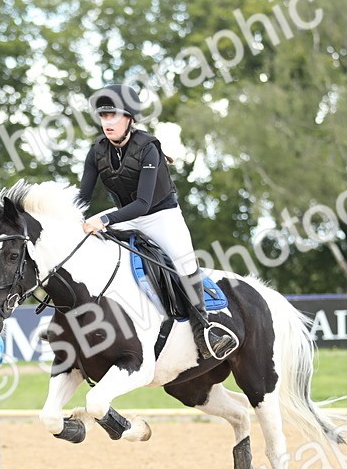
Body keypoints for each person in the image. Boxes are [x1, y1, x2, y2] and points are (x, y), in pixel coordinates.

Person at [77, 83, 238, 360]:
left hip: (161, 216)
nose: (108, 122)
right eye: (103, 116)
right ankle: (72, 323)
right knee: (84, 246)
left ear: (130, 119)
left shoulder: (148, 148)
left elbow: (143, 204)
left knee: (184, 262)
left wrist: (103, 219)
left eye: (114, 115)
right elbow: (82, 198)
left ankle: (204, 329)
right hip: (125, 217)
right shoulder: (97, 151)